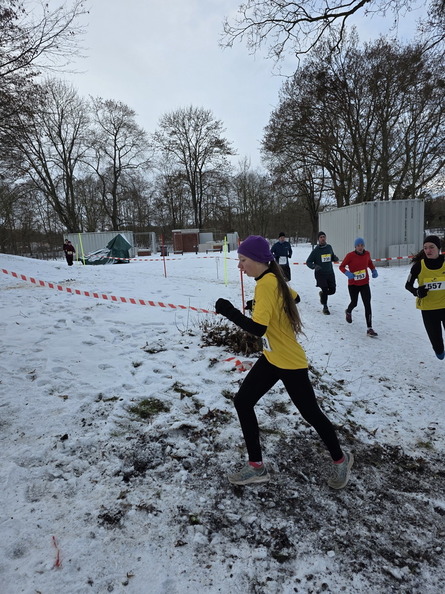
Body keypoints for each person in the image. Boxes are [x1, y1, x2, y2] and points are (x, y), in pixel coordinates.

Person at [214, 235, 353, 488]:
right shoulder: (273, 278)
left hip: (289, 361)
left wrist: (229, 310)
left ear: (257, 259)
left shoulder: (266, 284)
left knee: (311, 413)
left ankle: (341, 460)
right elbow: (294, 298)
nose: (239, 266)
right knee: (243, 401)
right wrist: (259, 304)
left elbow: (257, 328)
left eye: (243, 260)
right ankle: (256, 466)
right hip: (272, 357)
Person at [405, 235, 445, 360]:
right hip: (429, 310)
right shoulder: (418, 266)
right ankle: (439, 351)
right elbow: (408, 285)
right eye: (425, 248)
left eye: (431, 247)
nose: (428, 250)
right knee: (439, 350)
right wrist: (417, 292)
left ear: (438, 248)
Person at [339, 238, 379, 337]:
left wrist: (373, 270)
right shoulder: (350, 255)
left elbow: (369, 263)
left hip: (365, 283)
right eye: (358, 246)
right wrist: (347, 273)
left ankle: (369, 328)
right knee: (354, 302)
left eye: (362, 245)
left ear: (364, 246)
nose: (360, 247)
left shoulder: (367, 254)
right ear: (355, 247)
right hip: (353, 284)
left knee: (367, 304)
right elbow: (341, 266)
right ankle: (348, 311)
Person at [306, 231, 339, 315]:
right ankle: (325, 307)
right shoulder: (316, 250)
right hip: (320, 274)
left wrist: (334, 258)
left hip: (330, 272)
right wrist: (314, 266)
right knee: (325, 289)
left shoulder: (329, 247)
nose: (322, 239)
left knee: (332, 290)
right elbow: (308, 262)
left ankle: (322, 294)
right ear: (318, 239)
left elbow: (331, 256)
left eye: (324, 237)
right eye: (321, 237)